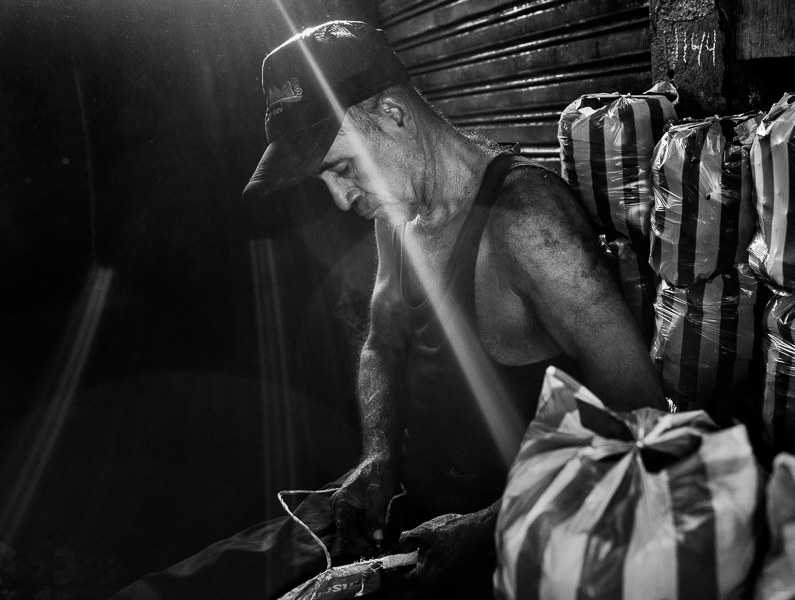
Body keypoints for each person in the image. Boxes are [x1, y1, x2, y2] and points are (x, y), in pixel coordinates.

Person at [114, 20, 665, 600]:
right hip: (405, 507)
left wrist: (489, 529)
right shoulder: (400, 215)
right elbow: (382, 342)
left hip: (507, 533)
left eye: (343, 168)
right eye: (325, 179)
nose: (341, 199)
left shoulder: (527, 226)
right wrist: (378, 457)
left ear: (394, 116)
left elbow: (641, 417)